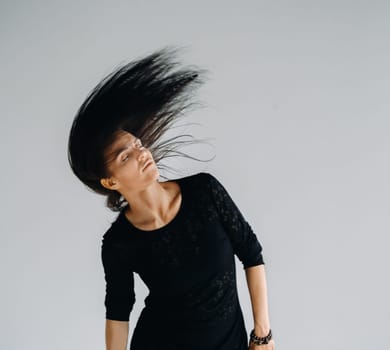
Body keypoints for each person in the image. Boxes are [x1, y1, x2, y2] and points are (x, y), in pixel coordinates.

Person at [67, 47, 275, 350]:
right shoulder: (119, 243)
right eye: (126, 156)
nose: (142, 154)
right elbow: (118, 312)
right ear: (110, 181)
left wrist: (262, 334)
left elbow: (251, 253)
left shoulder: (204, 192)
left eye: (138, 144)